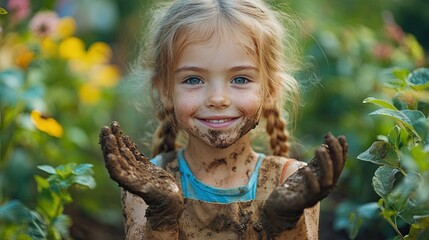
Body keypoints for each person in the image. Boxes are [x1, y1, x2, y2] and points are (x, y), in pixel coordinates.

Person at [99, 0, 348, 239]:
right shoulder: (145, 182)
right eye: (193, 80)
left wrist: (286, 221)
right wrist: (161, 216)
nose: (218, 99)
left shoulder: (291, 181)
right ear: (165, 90)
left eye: (240, 79)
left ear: (270, 89)